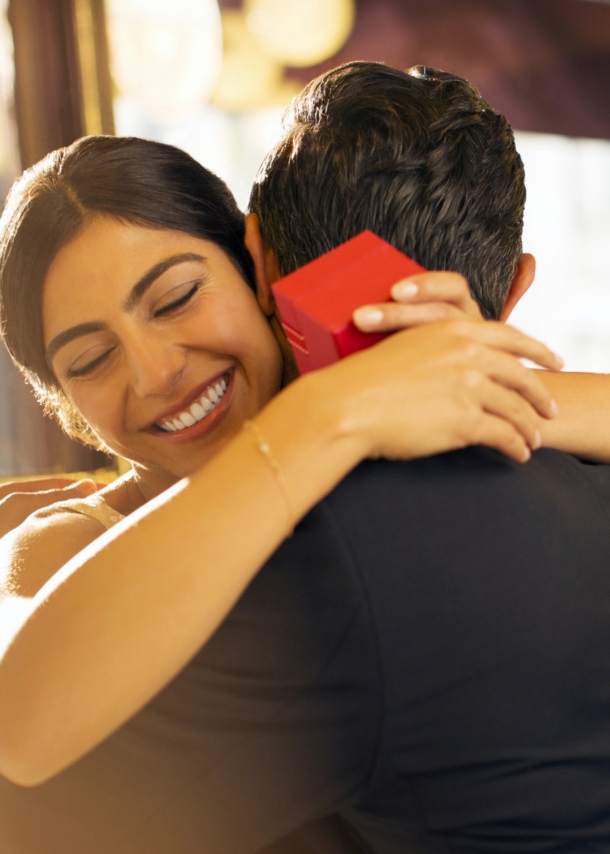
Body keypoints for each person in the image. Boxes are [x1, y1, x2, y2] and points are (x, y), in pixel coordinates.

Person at [0, 65, 606, 852]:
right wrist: (336, 409)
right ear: (62, 404)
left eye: (178, 297)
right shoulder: (65, 539)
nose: (154, 374)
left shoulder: (381, 512)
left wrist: (465, 380)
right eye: (87, 361)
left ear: (255, 268)